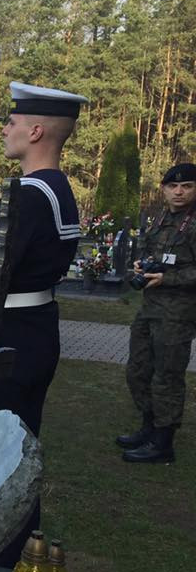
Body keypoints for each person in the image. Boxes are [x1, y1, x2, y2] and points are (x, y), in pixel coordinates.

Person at [0, 81, 87, 566]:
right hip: (34, 329)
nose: (3, 129)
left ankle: (3, 560)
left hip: (8, 341)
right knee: (18, 449)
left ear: (34, 130)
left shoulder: (28, 194)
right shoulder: (59, 187)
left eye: (11, 123)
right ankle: (19, 549)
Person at [119, 163, 196, 463]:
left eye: (187, 186)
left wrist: (169, 278)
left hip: (178, 312)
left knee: (167, 376)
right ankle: (148, 428)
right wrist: (142, 265)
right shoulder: (161, 217)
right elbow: (151, 252)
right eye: (173, 186)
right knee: (138, 371)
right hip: (150, 308)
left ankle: (163, 443)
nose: (179, 192)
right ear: (163, 189)